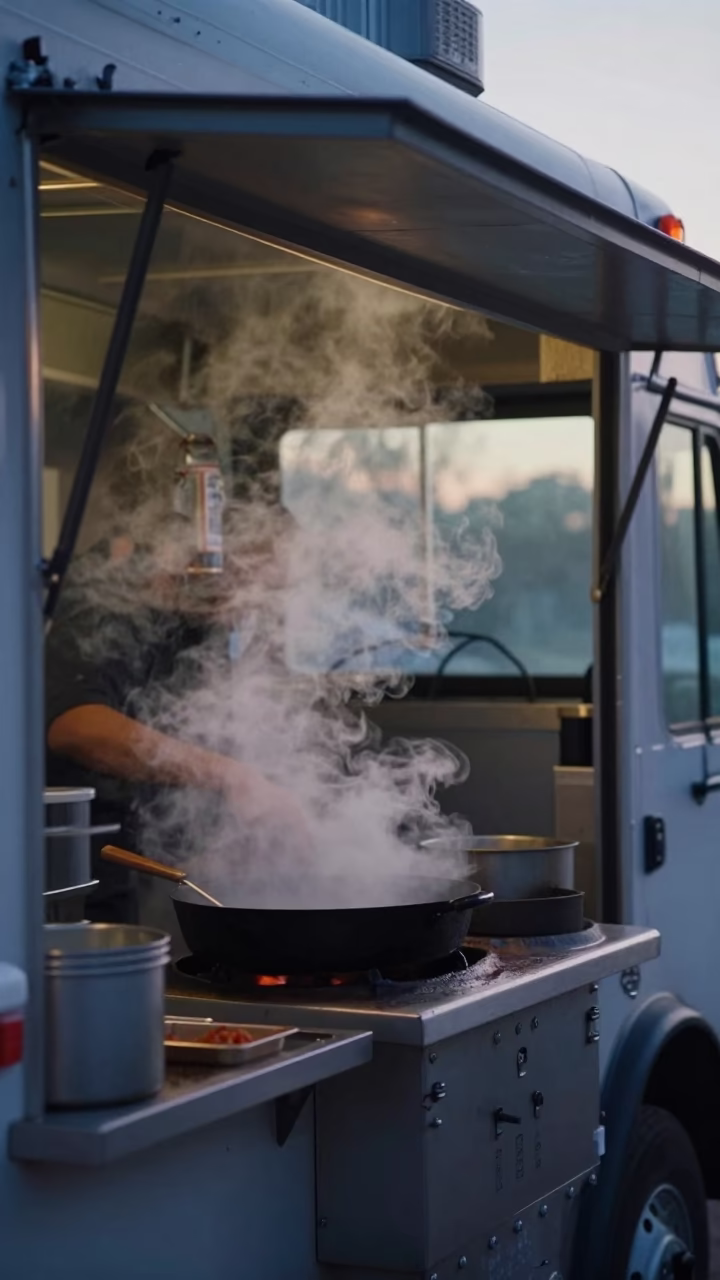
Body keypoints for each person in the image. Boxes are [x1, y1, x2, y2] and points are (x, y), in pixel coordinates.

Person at [45, 421, 307, 925]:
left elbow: (193, 739)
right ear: (211, 549)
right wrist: (232, 777)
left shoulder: (197, 620)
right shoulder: (114, 597)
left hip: (151, 869)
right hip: (84, 882)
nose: (256, 608)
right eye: (256, 587)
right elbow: (76, 727)